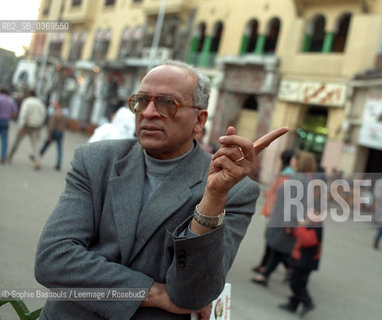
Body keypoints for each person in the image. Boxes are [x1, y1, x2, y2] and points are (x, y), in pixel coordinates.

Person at [34, 60, 288, 320]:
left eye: (167, 103)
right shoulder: (96, 160)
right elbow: (53, 259)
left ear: (199, 121)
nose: (149, 112)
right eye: (141, 101)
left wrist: (212, 199)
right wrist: (153, 293)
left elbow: (192, 295)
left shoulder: (233, 191)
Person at [251, 151, 317, 287]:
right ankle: (287, 272)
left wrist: (289, 222)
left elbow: (294, 203)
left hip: (284, 220)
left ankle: (265, 275)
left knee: (279, 249)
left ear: (299, 162)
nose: (293, 161)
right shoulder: (302, 178)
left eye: (295, 159)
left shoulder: (299, 179)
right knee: (280, 249)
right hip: (281, 218)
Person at [252, 149, 294, 275]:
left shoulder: (287, 174)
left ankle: (267, 266)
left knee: (272, 241)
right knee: (272, 240)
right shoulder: (287, 174)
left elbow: (281, 194)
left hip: (276, 212)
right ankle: (268, 266)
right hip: (275, 212)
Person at [278, 210, 323, 317]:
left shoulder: (317, 227)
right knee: (300, 282)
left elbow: (306, 240)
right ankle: (293, 304)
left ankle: (307, 302)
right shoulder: (311, 223)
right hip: (301, 259)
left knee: (295, 282)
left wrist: (300, 226)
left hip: (305, 262)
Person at [7, 89, 47, 170]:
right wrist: (39, 124)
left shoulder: (27, 101)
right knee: (35, 145)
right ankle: (38, 161)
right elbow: (43, 114)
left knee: (16, 142)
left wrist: (21, 125)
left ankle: (9, 157)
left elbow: (24, 113)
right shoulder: (40, 103)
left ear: (29, 94)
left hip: (26, 125)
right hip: (35, 126)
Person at [38, 100, 69, 170]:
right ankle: (58, 164)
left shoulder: (54, 114)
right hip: (61, 132)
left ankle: (37, 156)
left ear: (58, 105)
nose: (53, 106)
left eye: (55, 104)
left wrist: (49, 134)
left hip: (54, 132)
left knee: (46, 145)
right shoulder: (64, 114)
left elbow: (51, 125)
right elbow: (66, 124)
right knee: (59, 149)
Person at [0, 87, 18, 163]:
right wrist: (9, 116)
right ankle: (3, 157)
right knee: (4, 140)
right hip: (5, 121)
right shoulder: (11, 101)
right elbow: (15, 112)